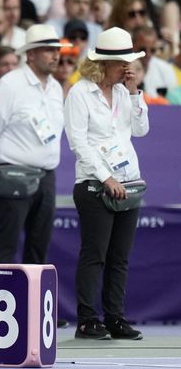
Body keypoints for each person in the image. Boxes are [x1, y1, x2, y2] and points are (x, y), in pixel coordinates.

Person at [64, 27, 149, 340]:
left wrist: (135, 91)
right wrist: (106, 177)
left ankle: (115, 317)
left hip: (128, 181)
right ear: (103, 63)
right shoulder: (80, 92)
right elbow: (78, 142)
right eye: (122, 62)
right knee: (95, 253)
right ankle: (87, 319)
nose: (127, 67)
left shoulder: (124, 92)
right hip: (93, 184)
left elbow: (140, 130)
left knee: (119, 257)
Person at [0, 24, 70, 266]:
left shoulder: (56, 88)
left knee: (39, 247)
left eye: (56, 49)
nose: (55, 55)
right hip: (13, 173)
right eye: (48, 49)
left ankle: (34, 303)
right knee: (5, 244)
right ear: (30, 54)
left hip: (47, 176)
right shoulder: (10, 84)